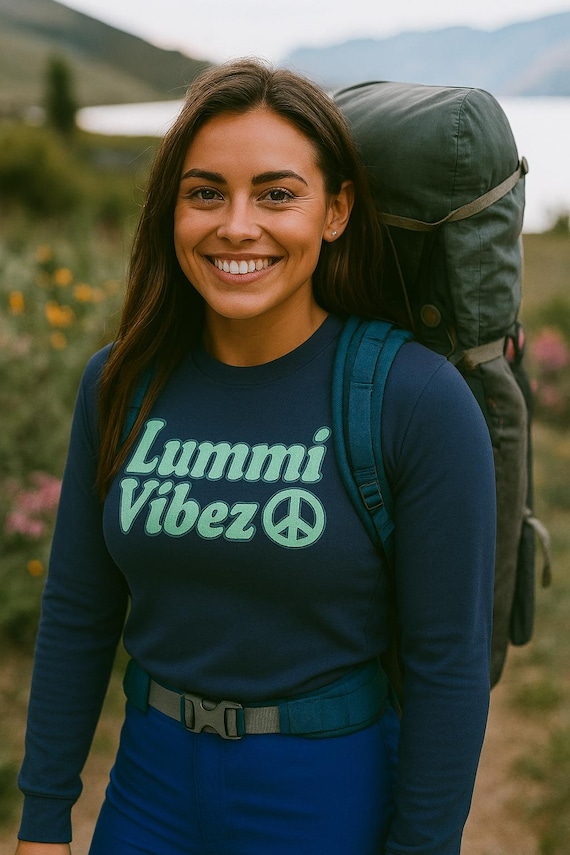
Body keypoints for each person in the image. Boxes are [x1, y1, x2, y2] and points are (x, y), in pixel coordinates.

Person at [15, 59, 495, 855]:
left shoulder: (414, 399)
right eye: (206, 192)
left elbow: (449, 667)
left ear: (336, 210)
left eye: (277, 193)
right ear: (173, 210)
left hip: (325, 796)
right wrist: (41, 820)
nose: (237, 225)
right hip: (147, 793)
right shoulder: (122, 381)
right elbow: (77, 610)